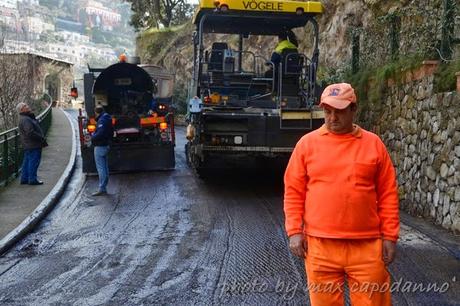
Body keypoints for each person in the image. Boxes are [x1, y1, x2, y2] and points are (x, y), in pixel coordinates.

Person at [284, 83, 399, 306]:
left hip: (367, 247)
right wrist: (294, 231)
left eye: (339, 111)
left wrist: (390, 236)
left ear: (353, 109)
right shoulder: (307, 145)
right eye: (327, 111)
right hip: (320, 246)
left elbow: (388, 194)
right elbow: (293, 191)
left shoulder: (373, 144)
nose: (332, 117)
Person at [17, 102, 48, 185]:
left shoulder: (25, 118)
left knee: (27, 161)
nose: (28, 106)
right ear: (21, 109)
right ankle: (32, 179)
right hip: (33, 144)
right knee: (34, 162)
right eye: (25, 106)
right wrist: (41, 138)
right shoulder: (26, 119)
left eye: (26, 105)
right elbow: (30, 132)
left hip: (28, 144)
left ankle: (25, 178)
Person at [91, 105, 113, 196]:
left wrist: (92, 138)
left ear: (96, 112)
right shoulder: (107, 118)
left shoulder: (102, 120)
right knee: (105, 168)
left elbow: (100, 133)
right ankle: (103, 187)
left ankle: (102, 188)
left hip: (100, 146)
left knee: (101, 168)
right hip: (106, 145)